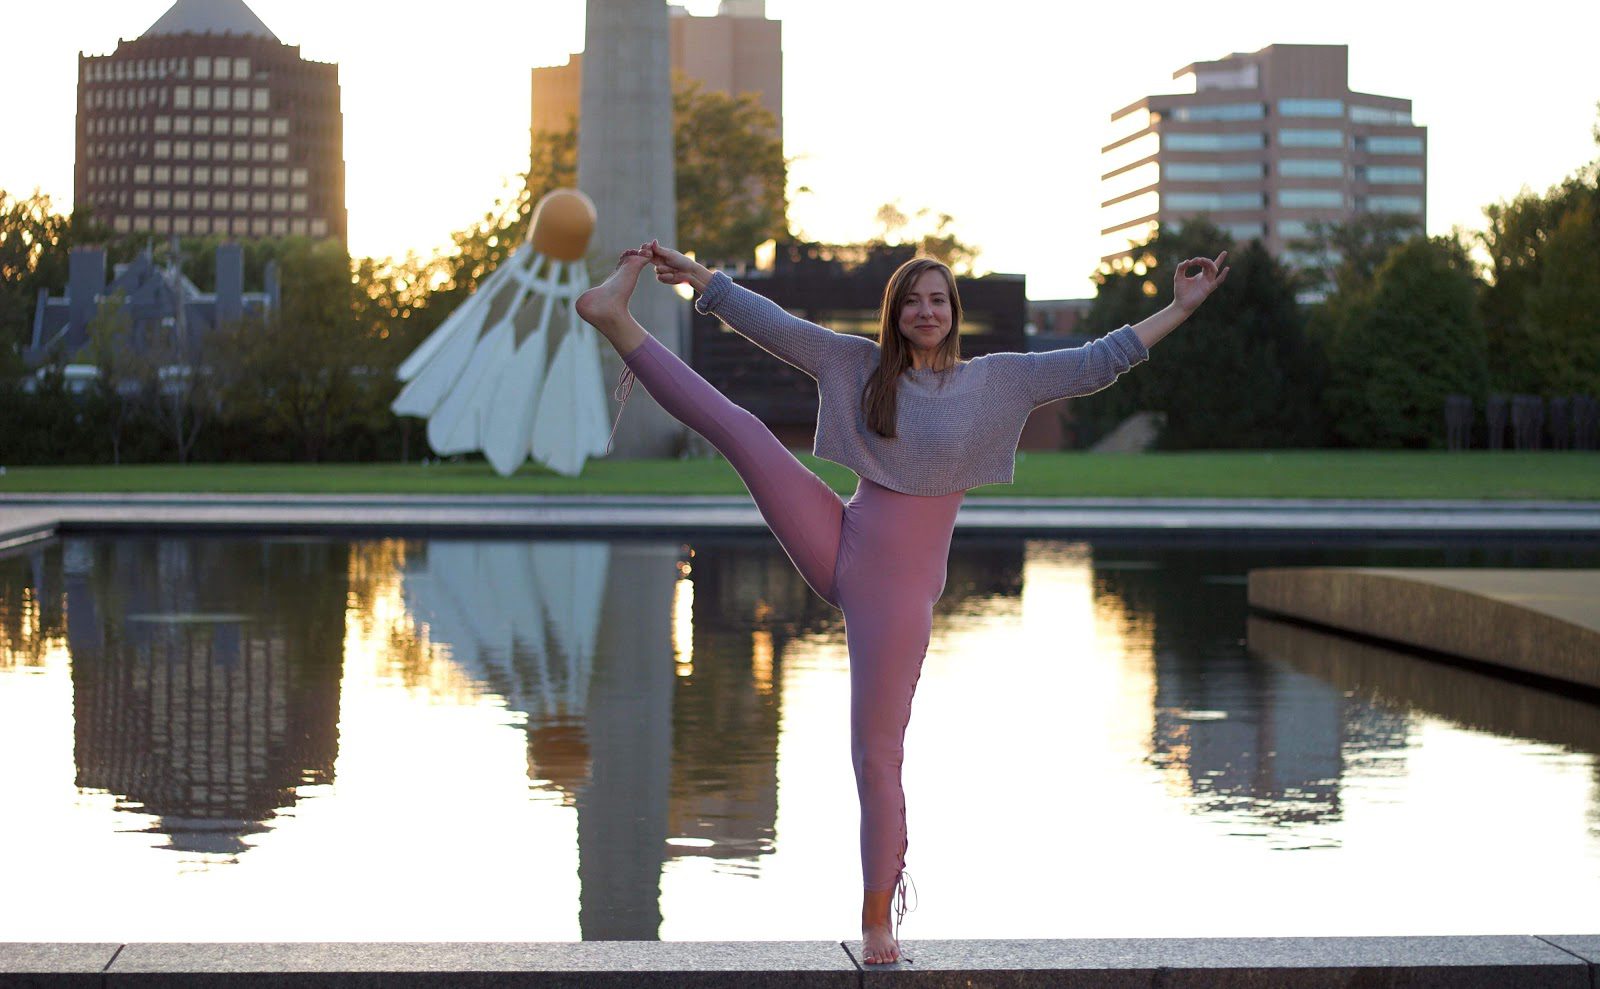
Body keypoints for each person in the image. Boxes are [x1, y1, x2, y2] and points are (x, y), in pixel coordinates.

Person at [575, 241, 1228, 964]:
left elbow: (1099, 358)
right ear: (896, 312)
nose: (925, 310)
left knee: (876, 755)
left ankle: (877, 916)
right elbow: (774, 326)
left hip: (897, 592)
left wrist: (1180, 307)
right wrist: (703, 281)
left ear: (953, 314)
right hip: (840, 533)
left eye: (938, 300)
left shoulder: (998, 382)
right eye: (913, 299)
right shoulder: (859, 364)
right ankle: (614, 318)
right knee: (741, 429)